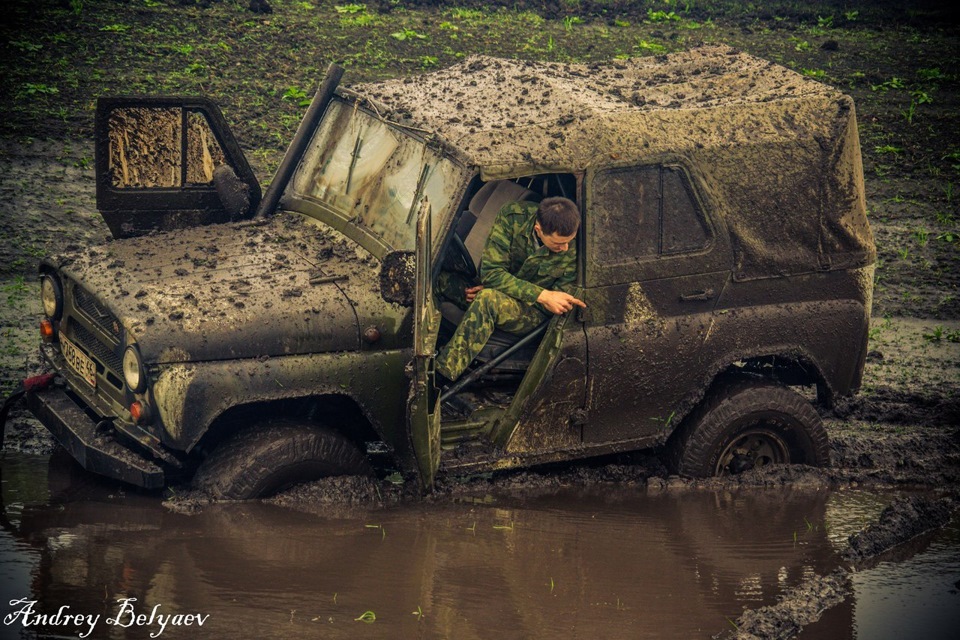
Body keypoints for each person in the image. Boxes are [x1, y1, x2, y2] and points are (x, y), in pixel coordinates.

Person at [435, 196, 586, 384]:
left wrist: (503, 290)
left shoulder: (574, 248)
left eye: (568, 242)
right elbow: (491, 273)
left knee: (488, 299)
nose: (565, 248)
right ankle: (425, 341)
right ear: (538, 230)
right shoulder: (513, 217)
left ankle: (441, 377)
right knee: (438, 279)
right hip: (513, 293)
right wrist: (538, 293)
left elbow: (555, 305)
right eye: (558, 244)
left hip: (534, 313)